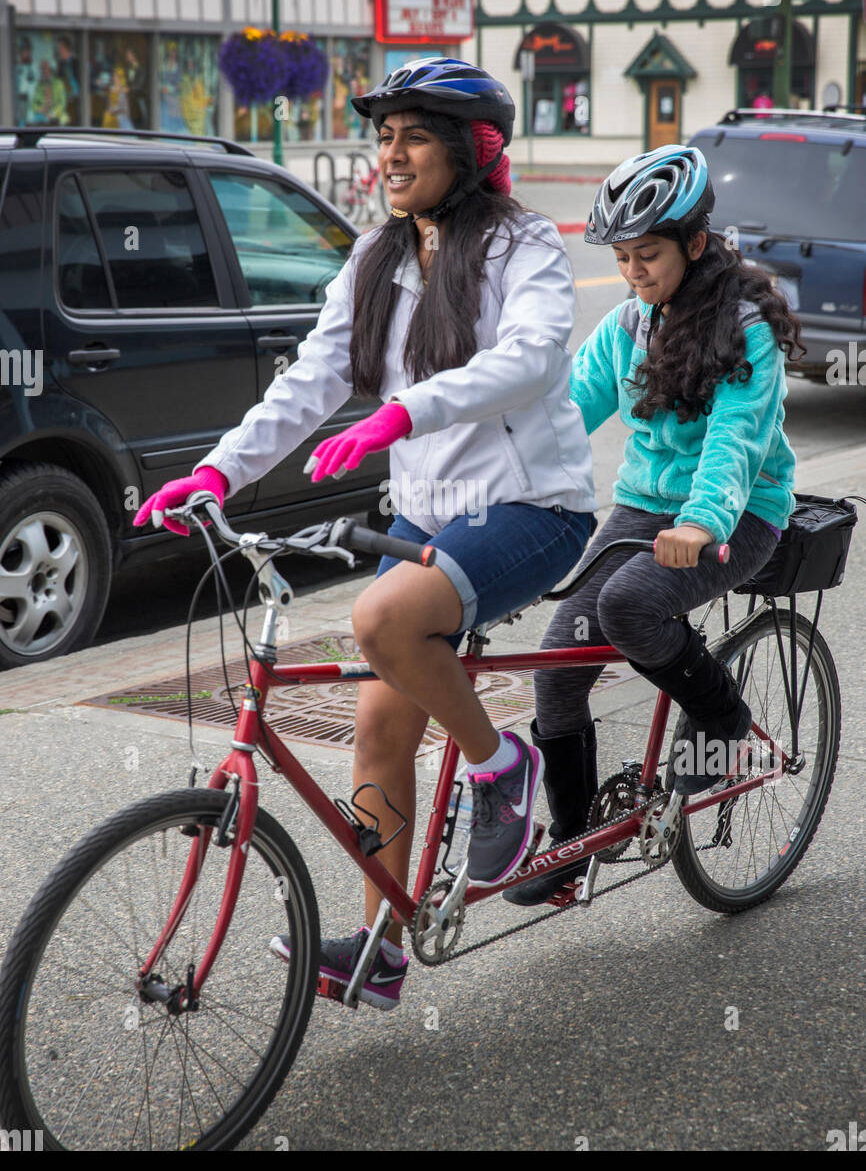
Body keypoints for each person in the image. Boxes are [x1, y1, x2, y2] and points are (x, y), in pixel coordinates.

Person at [134, 57, 598, 1008]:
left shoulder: (523, 245)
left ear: (472, 150)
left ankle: (504, 766)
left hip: (530, 508)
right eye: (383, 135)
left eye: (413, 136)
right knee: (380, 728)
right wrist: (220, 469)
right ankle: (383, 945)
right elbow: (310, 377)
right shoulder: (378, 254)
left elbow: (533, 355)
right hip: (430, 510)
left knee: (383, 623)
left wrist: (403, 413)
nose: (390, 153)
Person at [505, 143, 804, 907]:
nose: (633, 272)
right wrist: (497, 476)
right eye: (623, 257)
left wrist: (703, 523)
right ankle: (571, 847)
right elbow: (568, 411)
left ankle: (721, 716)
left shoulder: (746, 330)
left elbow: (736, 442)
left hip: (740, 512)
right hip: (645, 508)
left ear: (694, 245)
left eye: (648, 255)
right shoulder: (631, 322)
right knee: (558, 658)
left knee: (627, 604)